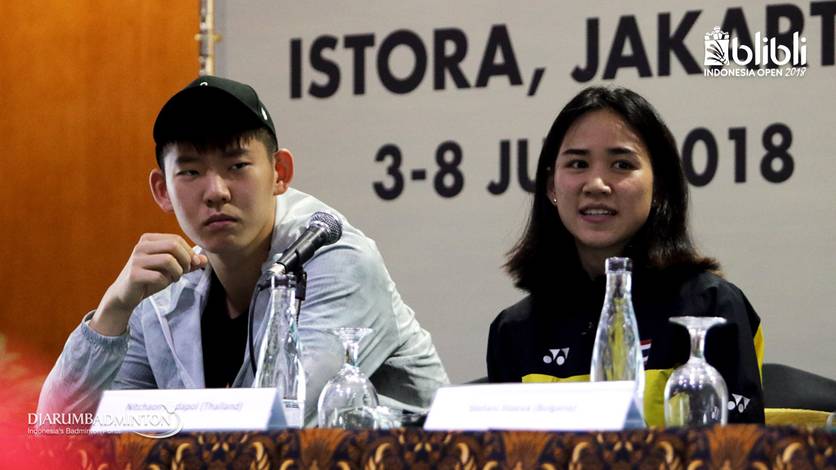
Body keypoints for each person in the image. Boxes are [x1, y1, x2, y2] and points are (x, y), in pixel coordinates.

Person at [38, 76, 449, 426]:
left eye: (237, 166)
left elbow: (282, 424)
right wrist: (112, 312)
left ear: (280, 174)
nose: (216, 192)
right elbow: (58, 431)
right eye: (191, 172)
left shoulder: (338, 260)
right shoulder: (163, 288)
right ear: (162, 191)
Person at [487, 86, 764, 425]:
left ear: (659, 186)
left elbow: (738, 456)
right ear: (550, 188)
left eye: (621, 164)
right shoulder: (513, 331)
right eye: (578, 163)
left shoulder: (712, 307)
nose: (597, 184)